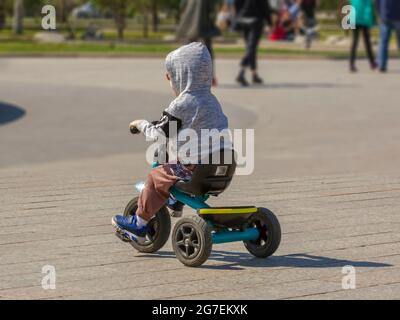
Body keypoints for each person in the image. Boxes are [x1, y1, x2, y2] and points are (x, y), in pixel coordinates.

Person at [112, 43, 231, 242]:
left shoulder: (184, 102)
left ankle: (139, 225)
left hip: (197, 168)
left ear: (183, 76)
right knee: (177, 154)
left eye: (172, 74)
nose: (168, 78)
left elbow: (159, 135)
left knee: (155, 176)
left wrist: (141, 124)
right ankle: (175, 200)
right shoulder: (211, 100)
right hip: (224, 164)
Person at [176, 0, 221, 85]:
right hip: (204, 25)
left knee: (188, 52)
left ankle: (186, 77)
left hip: (190, 25)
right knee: (208, 51)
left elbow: (183, 8)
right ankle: (211, 77)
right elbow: (212, 11)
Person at [234, 0, 272, 86]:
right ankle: (241, 73)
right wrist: (270, 22)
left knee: (250, 48)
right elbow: (265, 6)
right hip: (256, 20)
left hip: (244, 19)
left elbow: (237, 4)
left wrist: (239, 15)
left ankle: (254, 74)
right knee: (251, 48)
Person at [346, 0, 377, 72]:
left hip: (354, 18)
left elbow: (349, 6)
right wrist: (370, 23)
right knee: (367, 42)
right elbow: (368, 9)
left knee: (354, 41)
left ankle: (351, 64)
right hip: (364, 20)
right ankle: (372, 63)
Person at [376, 0, 400, 72]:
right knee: (384, 42)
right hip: (397, 15)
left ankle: (382, 65)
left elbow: (377, 2)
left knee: (383, 42)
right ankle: (381, 65)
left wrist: (380, 13)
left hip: (385, 15)